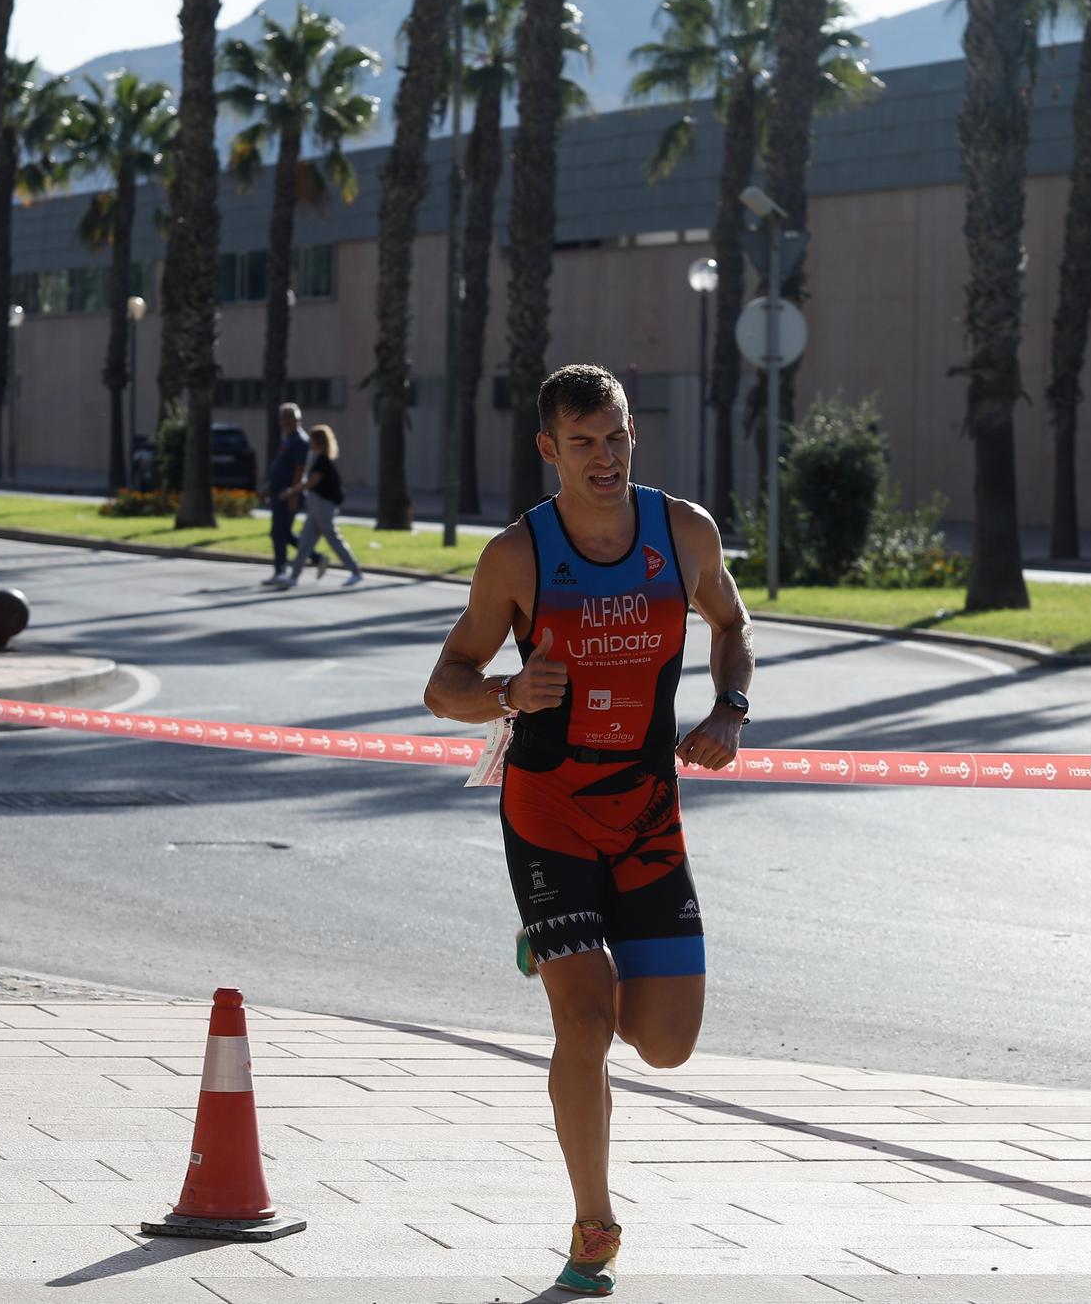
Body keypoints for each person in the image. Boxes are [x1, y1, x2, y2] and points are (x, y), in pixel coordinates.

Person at [422, 363, 753, 1297]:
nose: (602, 458)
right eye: (582, 443)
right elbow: (444, 681)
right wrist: (503, 692)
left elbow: (732, 623)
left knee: (667, 1041)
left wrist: (728, 707)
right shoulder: (517, 556)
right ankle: (593, 1225)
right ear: (548, 449)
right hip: (549, 808)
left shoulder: (684, 532)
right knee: (587, 1016)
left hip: (646, 808)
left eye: (614, 437)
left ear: (631, 433)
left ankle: (556, 945)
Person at [270, 423, 362, 588]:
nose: (309, 442)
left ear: (317, 441)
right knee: (305, 542)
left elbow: (311, 483)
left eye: (311, 439)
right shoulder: (317, 458)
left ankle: (355, 572)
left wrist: (290, 492)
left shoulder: (322, 461)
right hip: (315, 507)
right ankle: (293, 577)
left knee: (333, 540)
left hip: (323, 507)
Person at [262, 402, 318, 585]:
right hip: (279, 493)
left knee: (279, 533)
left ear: (298, 420)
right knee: (284, 533)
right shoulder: (288, 440)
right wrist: (269, 488)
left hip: (288, 495)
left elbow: (299, 470)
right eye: (283, 417)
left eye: (289, 417)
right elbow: (281, 468)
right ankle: (316, 558)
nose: (286, 421)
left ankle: (281, 570)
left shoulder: (300, 441)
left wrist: (293, 495)